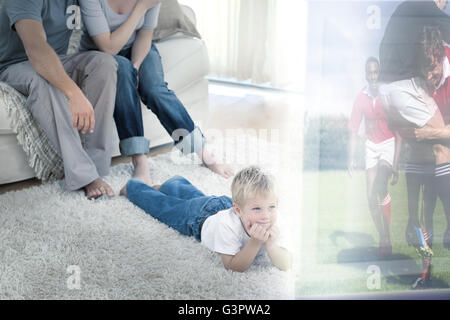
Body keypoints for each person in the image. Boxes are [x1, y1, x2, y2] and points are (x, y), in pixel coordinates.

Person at [78, 0, 234, 187]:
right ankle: (139, 159)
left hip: (138, 46)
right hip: (101, 55)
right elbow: (108, 48)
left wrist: (136, 68)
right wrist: (141, 8)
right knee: (123, 69)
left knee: (154, 90)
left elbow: (145, 36)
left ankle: (201, 149)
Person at [0, 0, 118, 199]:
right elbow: (36, 48)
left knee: (103, 63)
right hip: (15, 65)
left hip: (58, 59)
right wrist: (74, 93)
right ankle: (85, 176)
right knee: (44, 82)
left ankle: (96, 166)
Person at [380, 24, 450, 288]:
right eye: (423, 70)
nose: (429, 77)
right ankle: (426, 273)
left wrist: (430, 135)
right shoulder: (419, 78)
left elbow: (429, 133)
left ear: (442, 57)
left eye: (433, 69)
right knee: (423, 218)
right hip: (434, 155)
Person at [120, 166, 293, 272]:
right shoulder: (228, 225)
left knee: (196, 197)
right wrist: (255, 242)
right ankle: (133, 187)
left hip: (222, 206)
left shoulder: (274, 221)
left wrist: (271, 244)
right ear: (238, 210)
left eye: (272, 207)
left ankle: (174, 184)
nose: (265, 216)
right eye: (257, 208)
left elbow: (286, 264)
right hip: (200, 217)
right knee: (166, 207)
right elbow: (232, 266)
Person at [348, 57, 401, 257]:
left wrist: (396, 164)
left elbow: (399, 131)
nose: (373, 76)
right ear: (366, 75)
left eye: (375, 72)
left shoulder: (387, 95)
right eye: (369, 73)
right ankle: (383, 236)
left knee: (381, 184)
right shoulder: (360, 97)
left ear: (380, 73)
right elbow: (354, 130)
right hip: (371, 146)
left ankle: (386, 237)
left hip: (387, 144)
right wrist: (351, 158)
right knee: (370, 197)